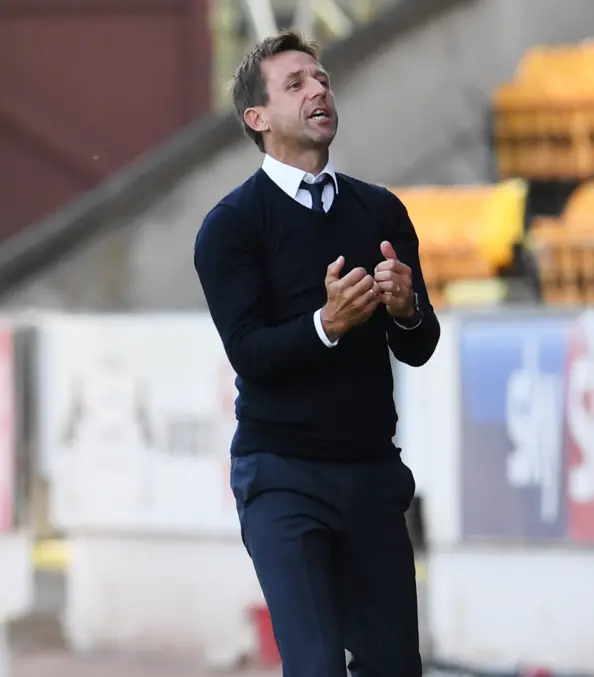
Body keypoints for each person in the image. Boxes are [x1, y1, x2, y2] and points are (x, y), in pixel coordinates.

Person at [194, 30, 440, 677]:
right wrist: (327, 324)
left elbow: (419, 347)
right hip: (281, 475)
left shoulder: (381, 211)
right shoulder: (231, 227)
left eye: (322, 78)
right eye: (296, 83)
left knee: (394, 669)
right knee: (317, 666)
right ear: (258, 117)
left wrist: (408, 307)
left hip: (370, 473)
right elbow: (250, 351)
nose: (318, 89)